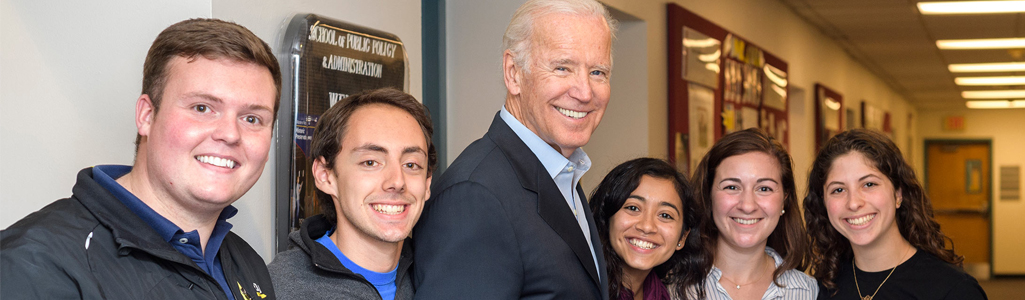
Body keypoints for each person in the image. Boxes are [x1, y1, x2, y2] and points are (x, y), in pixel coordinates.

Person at [1, 18, 280, 299]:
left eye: (252, 118)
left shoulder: (246, 263)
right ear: (147, 116)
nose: (230, 134)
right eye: (202, 107)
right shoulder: (36, 264)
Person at [411, 0, 617, 298]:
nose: (585, 92)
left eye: (598, 72)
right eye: (562, 68)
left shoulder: (561, 171)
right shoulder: (475, 197)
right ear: (513, 73)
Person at [267, 88, 436, 300]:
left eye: (411, 164)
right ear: (325, 176)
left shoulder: (440, 275)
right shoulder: (275, 290)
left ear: (427, 182)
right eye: (370, 162)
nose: (397, 181)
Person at [804, 129, 987, 299]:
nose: (853, 203)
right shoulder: (824, 287)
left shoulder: (953, 290)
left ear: (898, 194)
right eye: (838, 190)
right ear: (823, 203)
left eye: (869, 184)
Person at [682, 128, 817, 300]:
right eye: (731, 187)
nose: (747, 206)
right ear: (708, 195)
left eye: (764, 188)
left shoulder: (809, 293)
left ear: (784, 199)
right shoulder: (673, 287)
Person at [590, 158, 696, 300]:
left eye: (665, 215)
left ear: (682, 237)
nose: (647, 227)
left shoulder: (664, 294)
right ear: (607, 217)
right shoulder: (580, 288)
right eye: (633, 208)